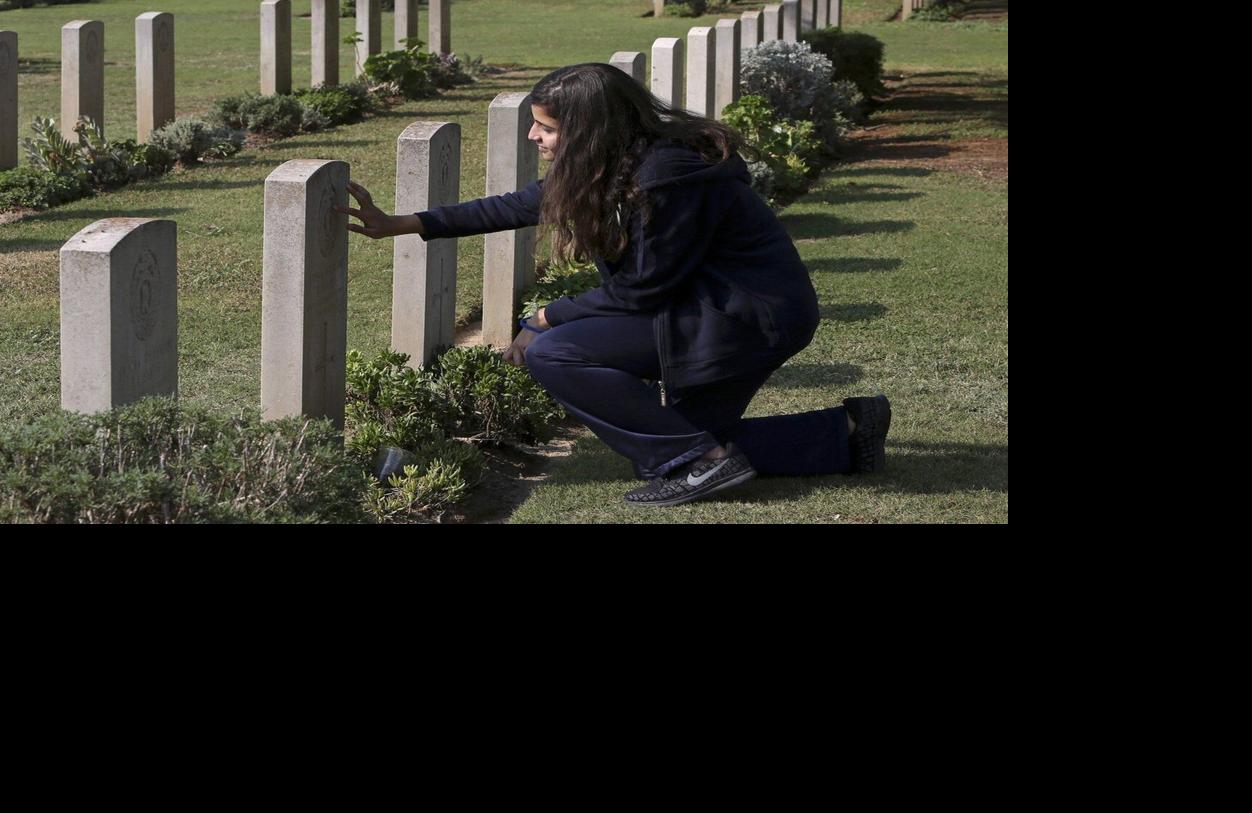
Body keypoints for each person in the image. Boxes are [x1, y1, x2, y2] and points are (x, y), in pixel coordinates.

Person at [335, 62, 891, 508]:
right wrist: (405, 223)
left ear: (589, 129)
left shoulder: (666, 176)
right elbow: (521, 204)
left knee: (558, 354)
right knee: (678, 437)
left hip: (742, 318)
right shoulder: (613, 163)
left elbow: (644, 289)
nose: (534, 136)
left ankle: (698, 462)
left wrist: (543, 317)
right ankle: (845, 430)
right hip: (700, 311)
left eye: (547, 128)